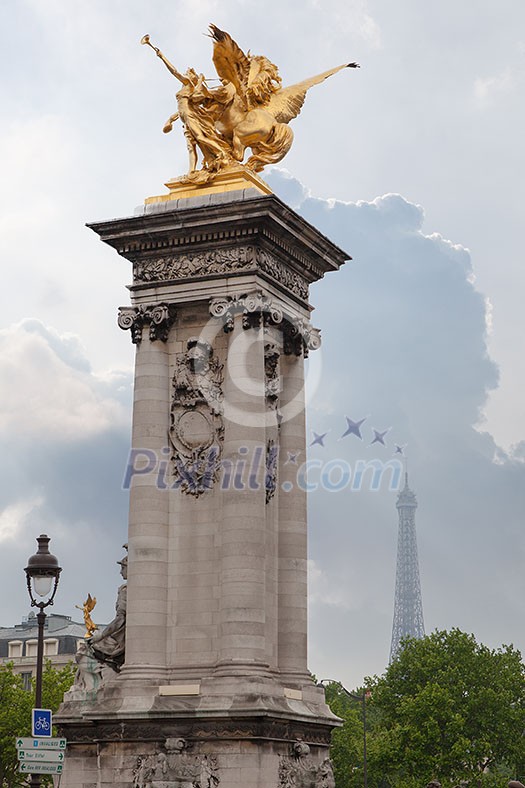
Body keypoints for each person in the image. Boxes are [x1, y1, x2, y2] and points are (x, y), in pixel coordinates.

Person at [89, 553, 127, 672]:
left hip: (121, 636)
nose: (120, 572)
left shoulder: (125, 590)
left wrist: (101, 635)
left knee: (88, 648)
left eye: (123, 568)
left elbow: (120, 619)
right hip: (123, 635)